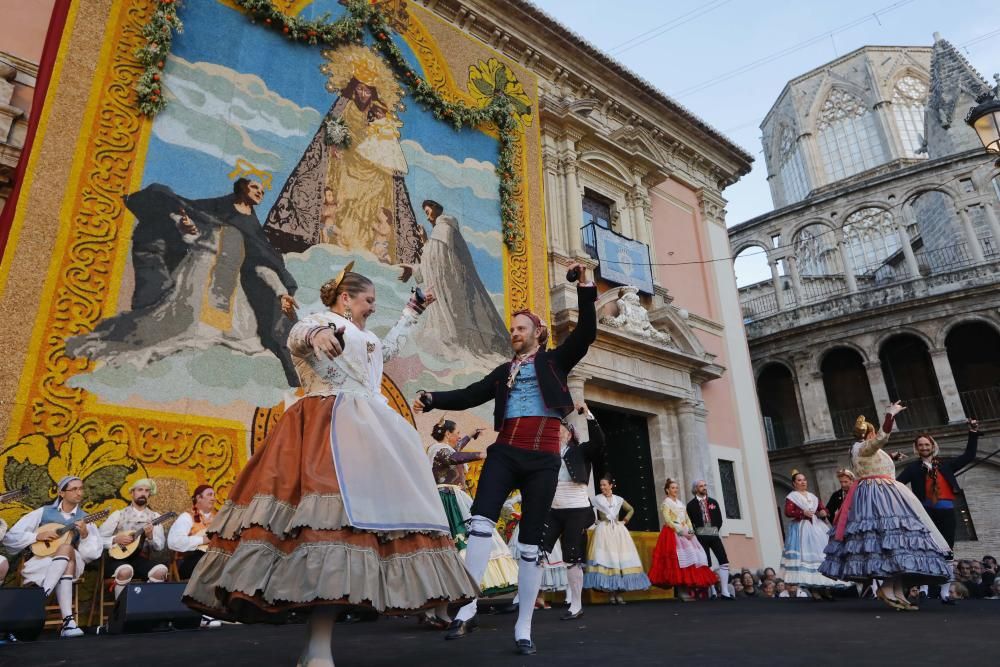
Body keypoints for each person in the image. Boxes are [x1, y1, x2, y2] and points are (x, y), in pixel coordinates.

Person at [183, 265, 478, 667]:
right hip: (327, 433)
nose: (372, 307)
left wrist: (412, 311)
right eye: (369, 300)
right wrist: (318, 334)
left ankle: (316, 649)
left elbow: (383, 351)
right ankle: (318, 649)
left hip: (369, 437)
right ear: (346, 299)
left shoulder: (365, 337)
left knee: (350, 539)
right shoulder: (321, 322)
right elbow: (297, 336)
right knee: (328, 533)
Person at [412, 263, 597, 655]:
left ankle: (525, 627)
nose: (514, 333)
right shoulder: (502, 372)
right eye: (512, 329)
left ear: (538, 333)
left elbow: (585, 334)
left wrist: (585, 285)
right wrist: (433, 398)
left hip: (543, 458)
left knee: (530, 545)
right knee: (480, 521)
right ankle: (467, 605)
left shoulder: (554, 362)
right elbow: (468, 394)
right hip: (506, 450)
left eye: (520, 328)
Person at [66, 178, 302, 387]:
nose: (260, 192)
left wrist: (282, 293)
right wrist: (183, 224)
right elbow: (193, 226)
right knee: (181, 328)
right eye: (254, 187)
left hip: (230, 294)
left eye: (262, 190)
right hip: (197, 281)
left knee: (235, 337)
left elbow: (263, 264)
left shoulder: (251, 229)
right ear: (241, 189)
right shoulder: (216, 210)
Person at [819, 403, 951, 611]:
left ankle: (896, 589)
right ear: (870, 432)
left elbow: (876, 456)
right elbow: (879, 441)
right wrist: (890, 416)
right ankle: (887, 587)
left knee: (899, 541)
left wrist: (893, 457)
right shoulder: (861, 446)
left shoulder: (867, 449)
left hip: (885, 492)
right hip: (877, 495)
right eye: (873, 433)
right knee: (888, 539)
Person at [423, 418, 517, 628]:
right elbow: (454, 456)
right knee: (453, 551)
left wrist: (470, 435)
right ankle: (433, 610)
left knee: (453, 555)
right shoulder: (439, 450)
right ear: (447, 434)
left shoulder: (443, 448)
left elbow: (456, 449)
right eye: (456, 432)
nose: (458, 436)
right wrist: (482, 454)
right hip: (447, 501)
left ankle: (438, 610)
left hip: (453, 498)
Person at [401, 200, 510, 360]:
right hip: (447, 284)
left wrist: (415, 264)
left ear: (437, 208)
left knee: (453, 319)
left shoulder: (445, 228)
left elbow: (437, 259)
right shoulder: (441, 231)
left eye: (427, 211)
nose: (427, 216)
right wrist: (425, 242)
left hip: (453, 285)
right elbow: (435, 259)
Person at [2, 476, 102, 637]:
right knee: (65, 558)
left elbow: (92, 554)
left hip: (74, 560)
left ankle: (38, 600)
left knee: (66, 547)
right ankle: (68, 623)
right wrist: (36, 537)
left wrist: (84, 535)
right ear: (62, 493)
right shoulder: (43, 513)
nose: (79, 492)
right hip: (45, 561)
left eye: (81, 488)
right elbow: (11, 537)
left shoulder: (85, 518)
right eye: (74, 489)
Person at [896, 419, 979, 604]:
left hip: (946, 511)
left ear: (933, 446)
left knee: (948, 551)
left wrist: (972, 433)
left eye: (927, 444)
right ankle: (924, 588)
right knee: (926, 549)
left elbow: (969, 455)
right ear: (916, 448)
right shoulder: (912, 468)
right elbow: (897, 485)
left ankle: (944, 593)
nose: (924, 447)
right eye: (921, 445)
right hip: (925, 513)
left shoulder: (945, 465)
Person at [539, 408, 605, 622]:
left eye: (558, 429)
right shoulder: (547, 454)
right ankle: (526, 600)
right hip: (553, 509)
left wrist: (589, 415)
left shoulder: (580, 451)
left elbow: (599, 442)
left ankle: (576, 605)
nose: (554, 432)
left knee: (572, 557)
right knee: (535, 551)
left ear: (568, 434)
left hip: (576, 510)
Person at [780, 471, 847, 600]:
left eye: (804, 479)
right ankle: (814, 589)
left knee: (822, 556)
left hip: (817, 528)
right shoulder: (792, 496)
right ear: (794, 483)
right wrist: (801, 512)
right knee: (809, 558)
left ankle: (825, 588)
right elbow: (788, 512)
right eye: (799, 480)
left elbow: (823, 509)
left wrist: (823, 512)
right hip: (802, 529)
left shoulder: (813, 496)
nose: (803, 482)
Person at [648, 479, 718, 601]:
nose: (675, 490)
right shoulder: (666, 503)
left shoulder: (680, 503)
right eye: (673, 488)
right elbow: (668, 520)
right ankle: (681, 591)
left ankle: (686, 589)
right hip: (673, 533)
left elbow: (687, 519)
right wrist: (681, 532)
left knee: (693, 558)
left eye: (676, 488)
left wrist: (690, 531)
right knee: (679, 561)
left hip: (686, 532)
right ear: (667, 490)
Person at [584, 475, 650, 604]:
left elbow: (631, 509)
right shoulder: (597, 499)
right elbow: (586, 509)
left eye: (604, 485)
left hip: (618, 531)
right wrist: (595, 520)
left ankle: (619, 594)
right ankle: (611, 594)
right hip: (604, 531)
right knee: (608, 560)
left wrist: (624, 521)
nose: (602, 487)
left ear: (610, 485)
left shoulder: (618, 499)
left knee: (620, 561)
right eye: (601, 485)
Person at [99, 479, 169, 599]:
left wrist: (150, 537)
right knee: (125, 570)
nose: (143, 493)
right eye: (140, 490)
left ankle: (146, 608)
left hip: (140, 559)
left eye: (147, 491)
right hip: (118, 560)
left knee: (161, 570)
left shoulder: (154, 517)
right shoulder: (118, 514)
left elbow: (160, 546)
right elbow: (98, 539)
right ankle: (120, 613)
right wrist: (115, 539)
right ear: (132, 493)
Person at [687, 479, 733, 599]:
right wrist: (694, 534)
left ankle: (724, 591)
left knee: (723, 560)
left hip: (713, 534)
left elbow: (719, 519)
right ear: (696, 489)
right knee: (706, 563)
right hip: (700, 537)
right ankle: (712, 590)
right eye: (701, 486)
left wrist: (714, 529)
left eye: (705, 485)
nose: (704, 487)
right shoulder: (691, 505)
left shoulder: (713, 502)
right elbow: (690, 522)